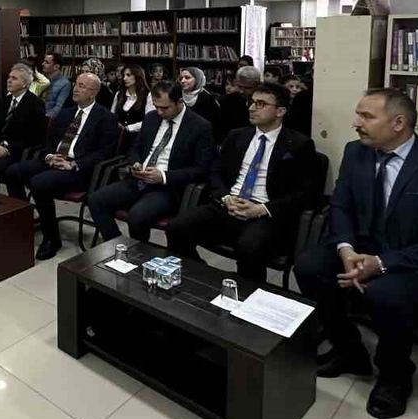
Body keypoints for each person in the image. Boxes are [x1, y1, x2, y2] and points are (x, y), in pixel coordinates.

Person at [294, 88, 418, 419]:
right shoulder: (356, 152)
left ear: (398, 123)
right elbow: (341, 206)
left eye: (366, 116)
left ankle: (395, 375)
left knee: (385, 293)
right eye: (358, 114)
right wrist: (346, 249)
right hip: (365, 248)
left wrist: (383, 263)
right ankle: (348, 349)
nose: (356, 123)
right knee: (310, 266)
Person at [166, 82, 318, 281]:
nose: (252, 108)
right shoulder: (237, 136)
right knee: (176, 227)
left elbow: (304, 194)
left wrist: (261, 209)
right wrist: (226, 197)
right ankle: (202, 277)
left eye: (261, 104)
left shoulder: (299, 144)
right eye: (251, 102)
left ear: (280, 111)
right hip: (229, 203)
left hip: (265, 212)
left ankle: (249, 292)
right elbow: (215, 172)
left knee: (249, 247)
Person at [5, 73, 120, 259]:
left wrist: (73, 164)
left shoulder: (106, 118)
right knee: (13, 171)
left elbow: (103, 154)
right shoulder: (66, 113)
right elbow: (48, 141)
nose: (75, 89)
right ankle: (22, 221)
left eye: (82, 86)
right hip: (55, 160)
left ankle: (51, 238)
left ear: (93, 93)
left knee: (39, 183)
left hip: (79, 169)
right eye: (76, 84)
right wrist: (50, 156)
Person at [87, 81, 213, 243]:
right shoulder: (151, 117)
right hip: (139, 179)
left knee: (137, 216)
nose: (159, 112)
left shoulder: (200, 126)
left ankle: (139, 253)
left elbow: (201, 169)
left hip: (167, 188)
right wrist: (135, 163)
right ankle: (118, 246)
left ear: (179, 102)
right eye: (156, 106)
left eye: (164, 108)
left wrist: (163, 176)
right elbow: (135, 148)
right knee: (96, 200)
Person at [215, 65, 261, 144]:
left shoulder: (266, 102)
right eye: (239, 86)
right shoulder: (225, 101)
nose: (241, 91)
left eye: (247, 88)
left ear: (258, 85)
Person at [110, 64, 155, 142]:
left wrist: (129, 128)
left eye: (128, 75)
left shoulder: (148, 96)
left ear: (137, 76)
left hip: (137, 138)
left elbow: (149, 121)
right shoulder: (119, 94)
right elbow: (112, 115)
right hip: (118, 137)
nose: (124, 78)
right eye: (124, 75)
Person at [41, 53, 70, 117]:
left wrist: (44, 118)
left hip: (48, 117)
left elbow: (58, 107)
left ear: (56, 67)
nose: (42, 64)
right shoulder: (41, 79)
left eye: (46, 62)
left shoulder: (65, 83)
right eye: (43, 61)